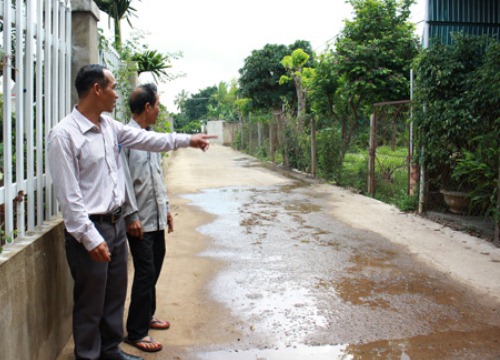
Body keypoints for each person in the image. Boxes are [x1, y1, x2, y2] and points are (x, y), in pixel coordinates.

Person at [47, 64, 215, 360]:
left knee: (114, 297)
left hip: (114, 226)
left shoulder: (110, 127)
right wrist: (89, 237)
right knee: (90, 302)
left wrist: (187, 139)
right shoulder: (64, 134)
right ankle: (87, 355)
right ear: (97, 89)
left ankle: (110, 351)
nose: (116, 94)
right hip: (91, 229)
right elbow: (69, 196)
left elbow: (149, 140)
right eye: (112, 87)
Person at [121, 83, 173, 353]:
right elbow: (123, 180)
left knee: (154, 268)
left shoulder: (150, 137)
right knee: (145, 272)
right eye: (157, 105)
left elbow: (157, 176)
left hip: (156, 218)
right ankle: (136, 331)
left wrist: (166, 208)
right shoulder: (126, 137)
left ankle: (146, 315)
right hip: (138, 221)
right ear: (147, 107)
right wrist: (130, 215)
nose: (159, 110)